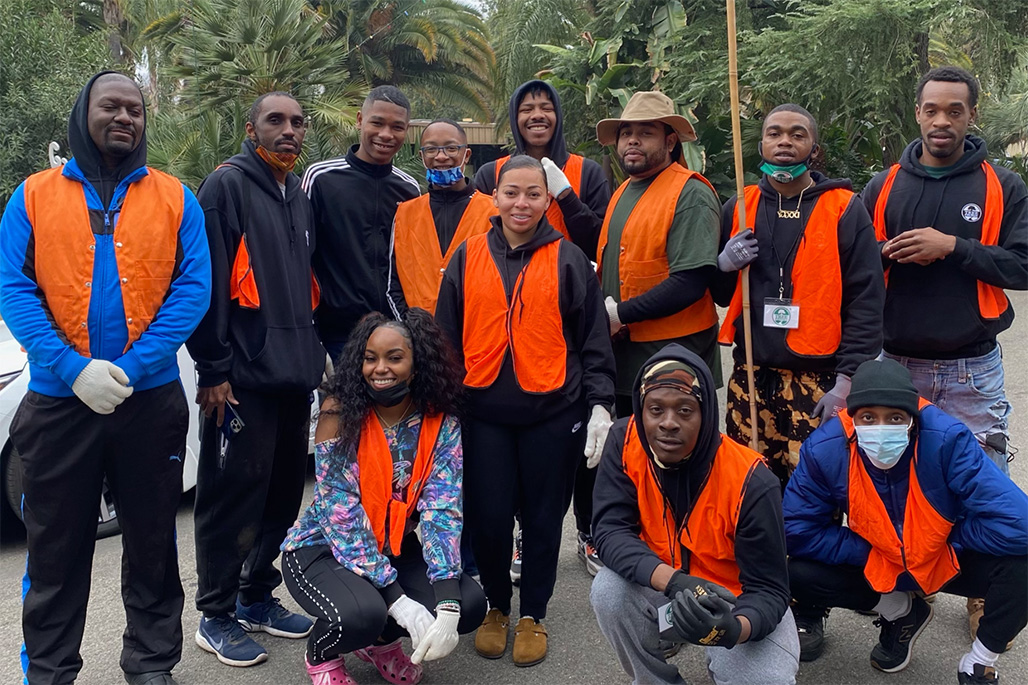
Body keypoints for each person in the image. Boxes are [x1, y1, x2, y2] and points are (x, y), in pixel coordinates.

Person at [0, 71, 211, 685]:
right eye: (110, 106)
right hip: (59, 403)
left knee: (153, 543)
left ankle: (151, 664)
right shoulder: (32, 196)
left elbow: (192, 289)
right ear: (83, 114)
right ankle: (49, 670)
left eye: (135, 109)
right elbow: (15, 288)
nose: (124, 117)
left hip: (149, 402)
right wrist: (72, 369)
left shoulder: (176, 198)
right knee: (54, 549)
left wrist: (131, 367)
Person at [436, 155, 615, 667]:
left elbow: (594, 342)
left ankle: (534, 611)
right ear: (494, 198)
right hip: (483, 412)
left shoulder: (570, 259)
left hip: (553, 412)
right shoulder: (466, 257)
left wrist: (600, 404)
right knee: (489, 518)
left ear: (547, 199)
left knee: (542, 518)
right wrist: (440, 407)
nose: (521, 203)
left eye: (533, 194)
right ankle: (497, 605)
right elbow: (445, 340)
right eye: (511, 192)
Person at [783, 358, 1027, 684]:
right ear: (851, 418)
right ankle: (900, 611)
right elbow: (796, 529)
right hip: (879, 558)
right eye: (868, 417)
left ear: (913, 419)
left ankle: (979, 663)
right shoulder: (824, 449)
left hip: (943, 556)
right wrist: (870, 551)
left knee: (1023, 564)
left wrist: (944, 539)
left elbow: (1020, 523)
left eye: (895, 418)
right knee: (796, 571)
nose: (881, 428)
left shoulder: (947, 439)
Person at [188, 92, 325, 668]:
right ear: (251, 129)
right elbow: (207, 285)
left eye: (297, 122)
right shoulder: (226, 187)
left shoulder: (297, 194)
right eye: (276, 120)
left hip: (292, 377)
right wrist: (213, 368)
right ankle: (216, 614)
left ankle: (255, 596)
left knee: (282, 496)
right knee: (231, 499)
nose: (288, 130)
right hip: (240, 381)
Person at [281, 309, 487, 685]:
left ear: (417, 364)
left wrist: (447, 601)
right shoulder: (339, 415)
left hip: (389, 545)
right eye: (370, 358)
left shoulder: (441, 423)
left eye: (394, 357)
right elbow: (342, 517)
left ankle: (379, 643)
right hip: (321, 549)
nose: (380, 368)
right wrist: (398, 599)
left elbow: (442, 509)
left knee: (469, 604)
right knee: (363, 613)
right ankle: (322, 655)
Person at [590, 345, 799, 685]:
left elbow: (770, 590)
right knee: (609, 590)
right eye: (655, 409)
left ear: (706, 415)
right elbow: (610, 531)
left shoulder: (752, 480)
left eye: (685, 410)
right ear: (640, 410)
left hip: (733, 603)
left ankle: (729, 655)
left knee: (764, 680)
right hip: (664, 589)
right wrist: (674, 582)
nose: (668, 423)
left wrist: (735, 629)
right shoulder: (624, 441)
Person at [859, 65, 1027, 477]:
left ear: (972, 115)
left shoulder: (1003, 187)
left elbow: (1023, 267)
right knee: (894, 480)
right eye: (932, 110)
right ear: (917, 112)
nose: (941, 121)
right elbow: (852, 266)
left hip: (972, 369)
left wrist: (953, 247)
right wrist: (887, 252)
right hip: (895, 362)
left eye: (955, 111)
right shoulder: (882, 186)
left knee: (982, 485)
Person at [712, 103, 884, 487]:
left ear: (814, 148)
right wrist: (722, 265)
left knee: (815, 488)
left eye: (797, 134)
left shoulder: (844, 208)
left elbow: (867, 301)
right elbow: (721, 296)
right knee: (749, 484)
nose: (785, 141)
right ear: (761, 145)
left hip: (819, 378)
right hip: (752, 373)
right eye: (774, 133)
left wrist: (847, 381)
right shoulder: (739, 208)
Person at [596, 91, 722, 411]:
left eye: (646, 132)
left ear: (670, 142)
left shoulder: (690, 193)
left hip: (674, 358)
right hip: (625, 354)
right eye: (626, 132)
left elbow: (690, 282)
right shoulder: (623, 191)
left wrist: (618, 315)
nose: (632, 140)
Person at [302, 85, 421, 360]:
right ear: (359, 120)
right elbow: (299, 255)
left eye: (397, 127)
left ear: (407, 130)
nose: (386, 134)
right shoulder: (321, 178)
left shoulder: (409, 189)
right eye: (377, 123)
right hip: (335, 334)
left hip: (394, 332)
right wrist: (310, 333)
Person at [473, 79, 611, 259]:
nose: (537, 115)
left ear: (558, 116)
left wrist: (567, 198)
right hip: (503, 274)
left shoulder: (588, 172)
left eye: (546, 108)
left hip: (568, 274)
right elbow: (479, 237)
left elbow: (600, 245)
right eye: (527, 109)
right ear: (515, 118)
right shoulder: (490, 174)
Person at [387, 119, 496, 317]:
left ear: (466, 155)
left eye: (451, 148)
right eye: (431, 149)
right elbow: (393, 282)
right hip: (418, 330)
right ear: (422, 156)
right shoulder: (405, 213)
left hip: (475, 330)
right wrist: (411, 328)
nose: (441, 156)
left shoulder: (493, 212)